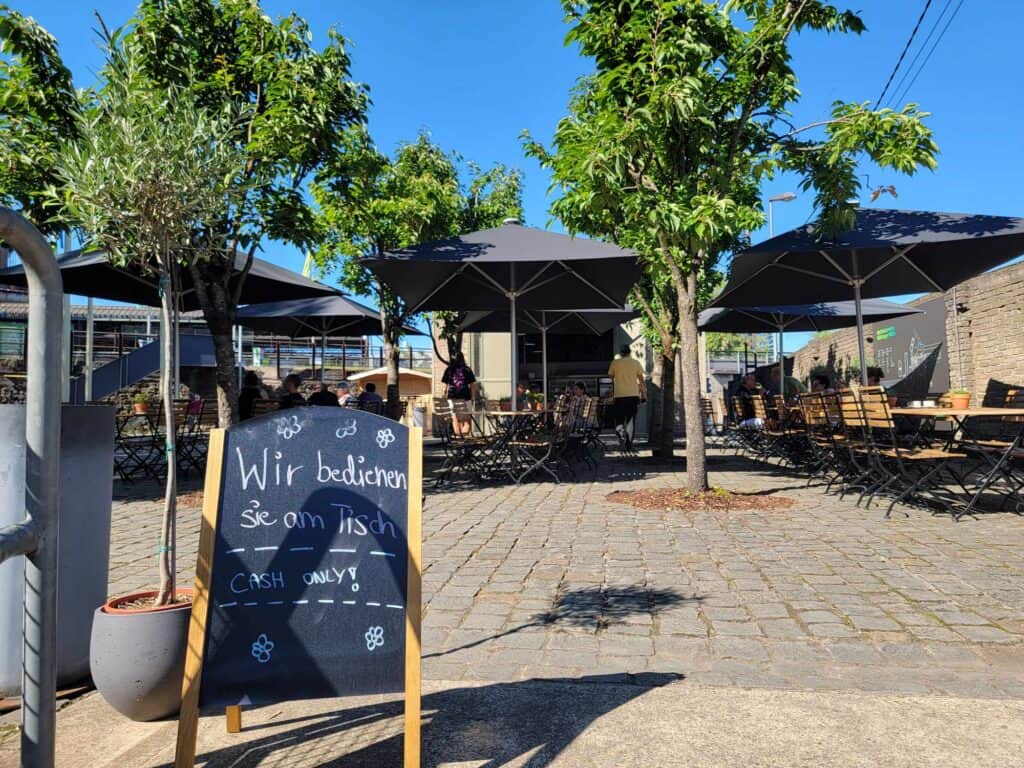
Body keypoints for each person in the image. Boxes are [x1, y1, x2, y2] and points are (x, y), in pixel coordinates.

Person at [607, 343, 646, 450]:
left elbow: (610, 377)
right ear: (629, 352)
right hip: (633, 395)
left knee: (619, 418)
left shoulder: (615, 363)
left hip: (619, 395)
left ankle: (620, 434)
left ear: (621, 353)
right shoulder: (636, 363)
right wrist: (644, 395)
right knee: (631, 420)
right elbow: (641, 381)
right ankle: (629, 444)